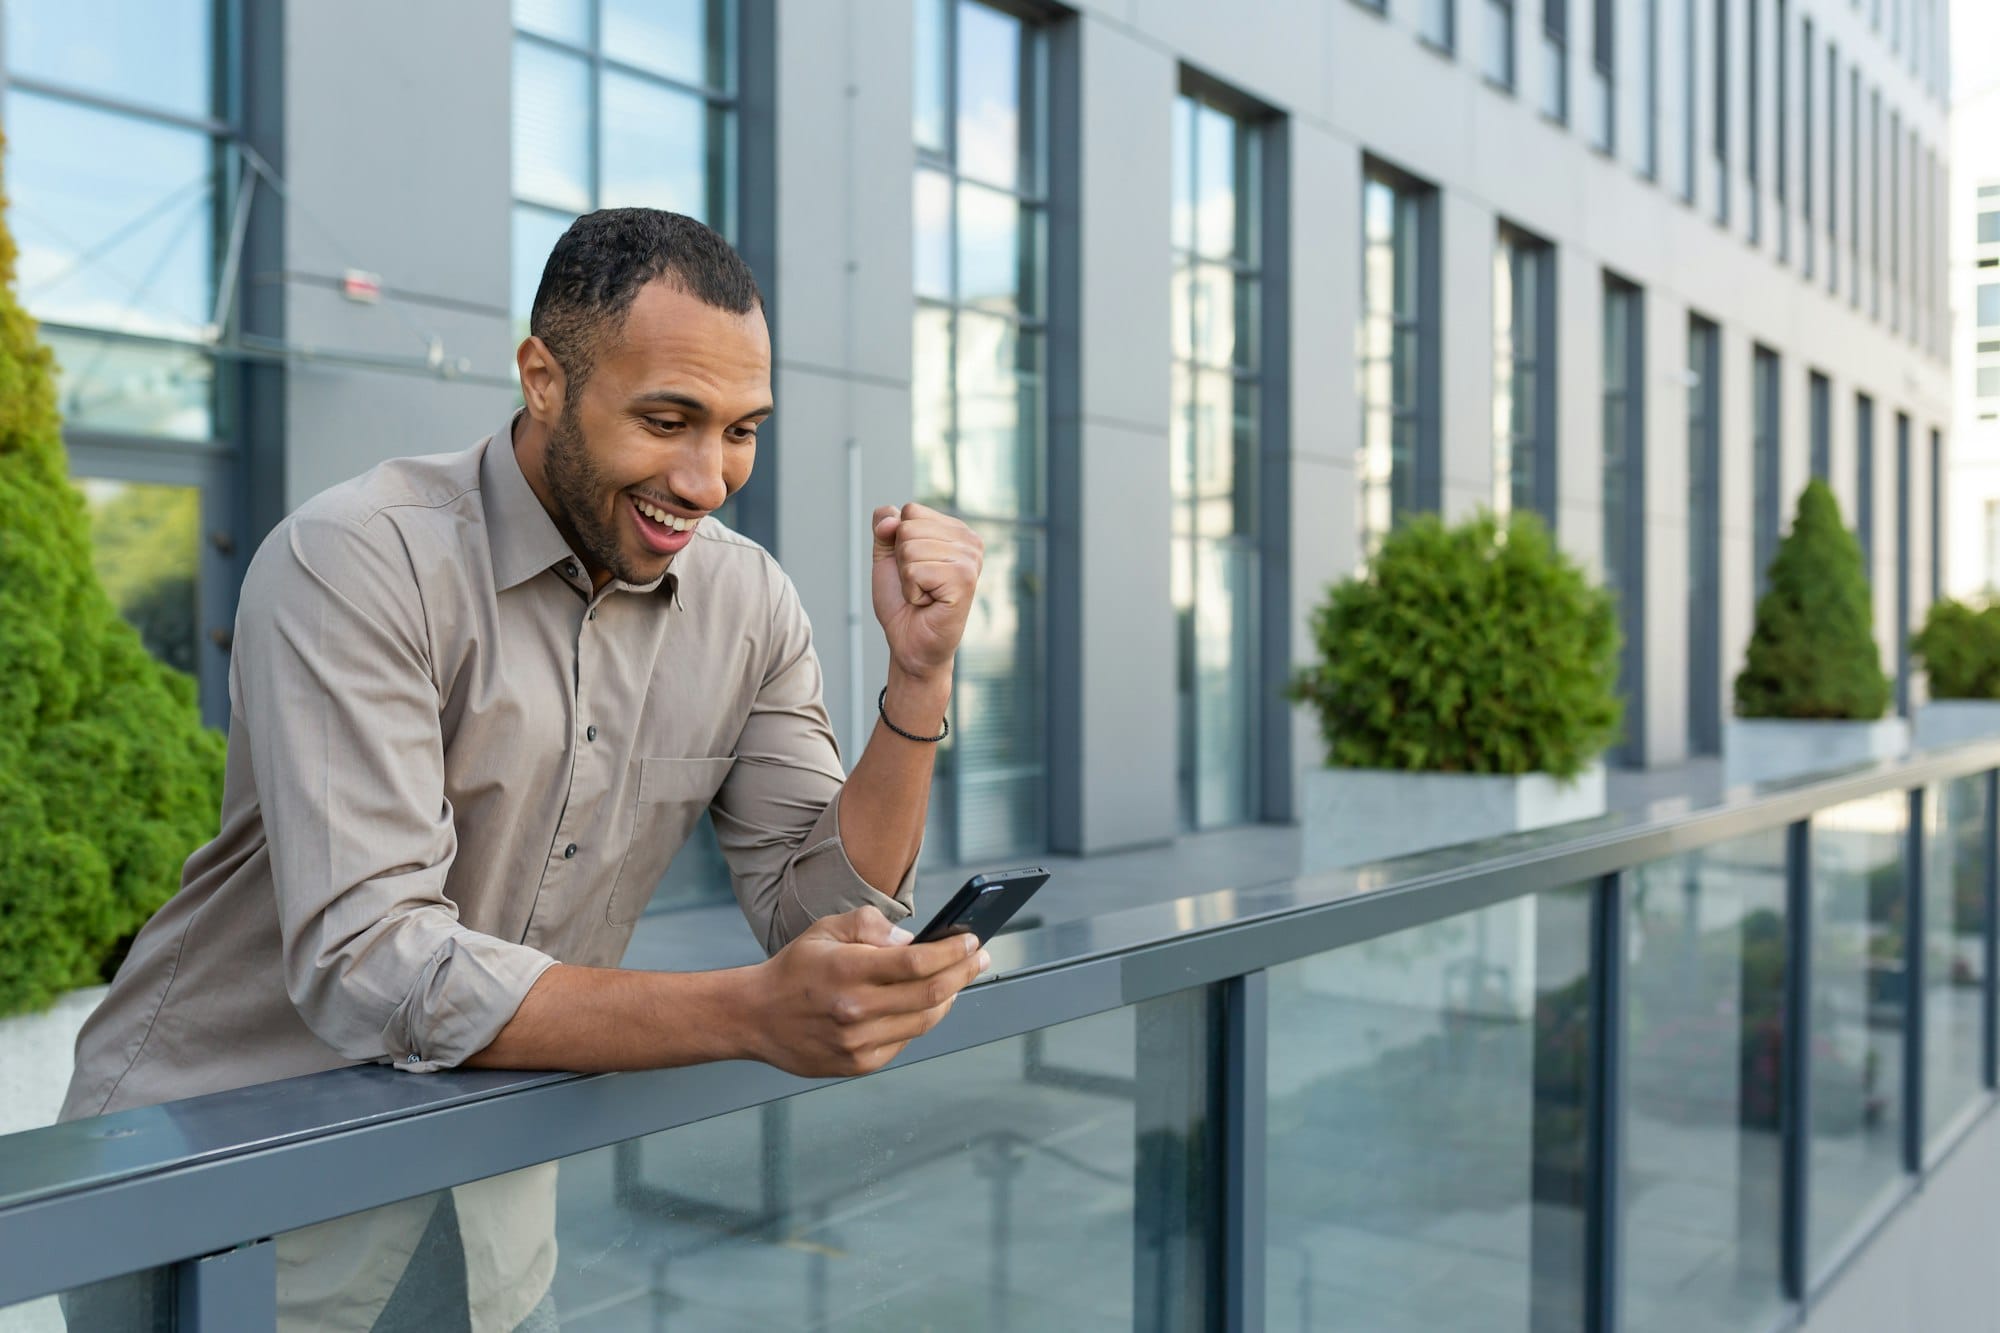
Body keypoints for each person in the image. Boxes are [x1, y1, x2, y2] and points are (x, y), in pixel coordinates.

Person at [58, 208, 988, 1329]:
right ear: (543, 378)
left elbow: (817, 912)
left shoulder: (748, 603)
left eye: (742, 431)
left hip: (490, 1193)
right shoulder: (357, 558)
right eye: (667, 419)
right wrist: (749, 1014)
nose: (706, 479)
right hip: (224, 1190)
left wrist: (919, 680)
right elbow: (376, 959)